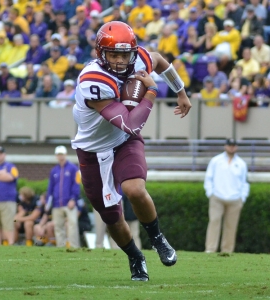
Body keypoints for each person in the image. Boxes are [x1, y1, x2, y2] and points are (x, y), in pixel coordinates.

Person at [71, 21, 191, 281]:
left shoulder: (138, 61)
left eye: (125, 54)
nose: (120, 60)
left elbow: (159, 60)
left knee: (134, 189)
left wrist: (181, 91)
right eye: (113, 54)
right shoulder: (92, 81)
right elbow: (129, 121)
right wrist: (152, 92)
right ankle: (136, 257)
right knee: (112, 216)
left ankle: (158, 238)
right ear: (100, 54)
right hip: (93, 150)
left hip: (124, 141)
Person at [204, 138, 250, 253]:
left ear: (237, 147)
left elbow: (245, 182)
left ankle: (227, 251)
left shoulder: (241, 164)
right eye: (229, 145)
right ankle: (210, 249)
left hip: (235, 199)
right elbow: (208, 178)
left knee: (231, 226)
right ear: (225, 146)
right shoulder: (216, 160)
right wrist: (210, 193)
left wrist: (242, 198)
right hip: (217, 197)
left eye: (234, 145)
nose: (231, 147)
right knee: (214, 222)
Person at [45, 145, 81, 248]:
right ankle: (60, 247)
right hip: (57, 203)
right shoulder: (54, 171)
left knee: (72, 225)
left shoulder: (73, 169)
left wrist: (73, 198)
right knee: (58, 226)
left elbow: (76, 184)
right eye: (59, 154)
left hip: (69, 202)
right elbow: (50, 187)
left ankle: (74, 246)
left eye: (62, 154)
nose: (61, 156)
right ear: (56, 156)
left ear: (66, 155)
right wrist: (48, 202)